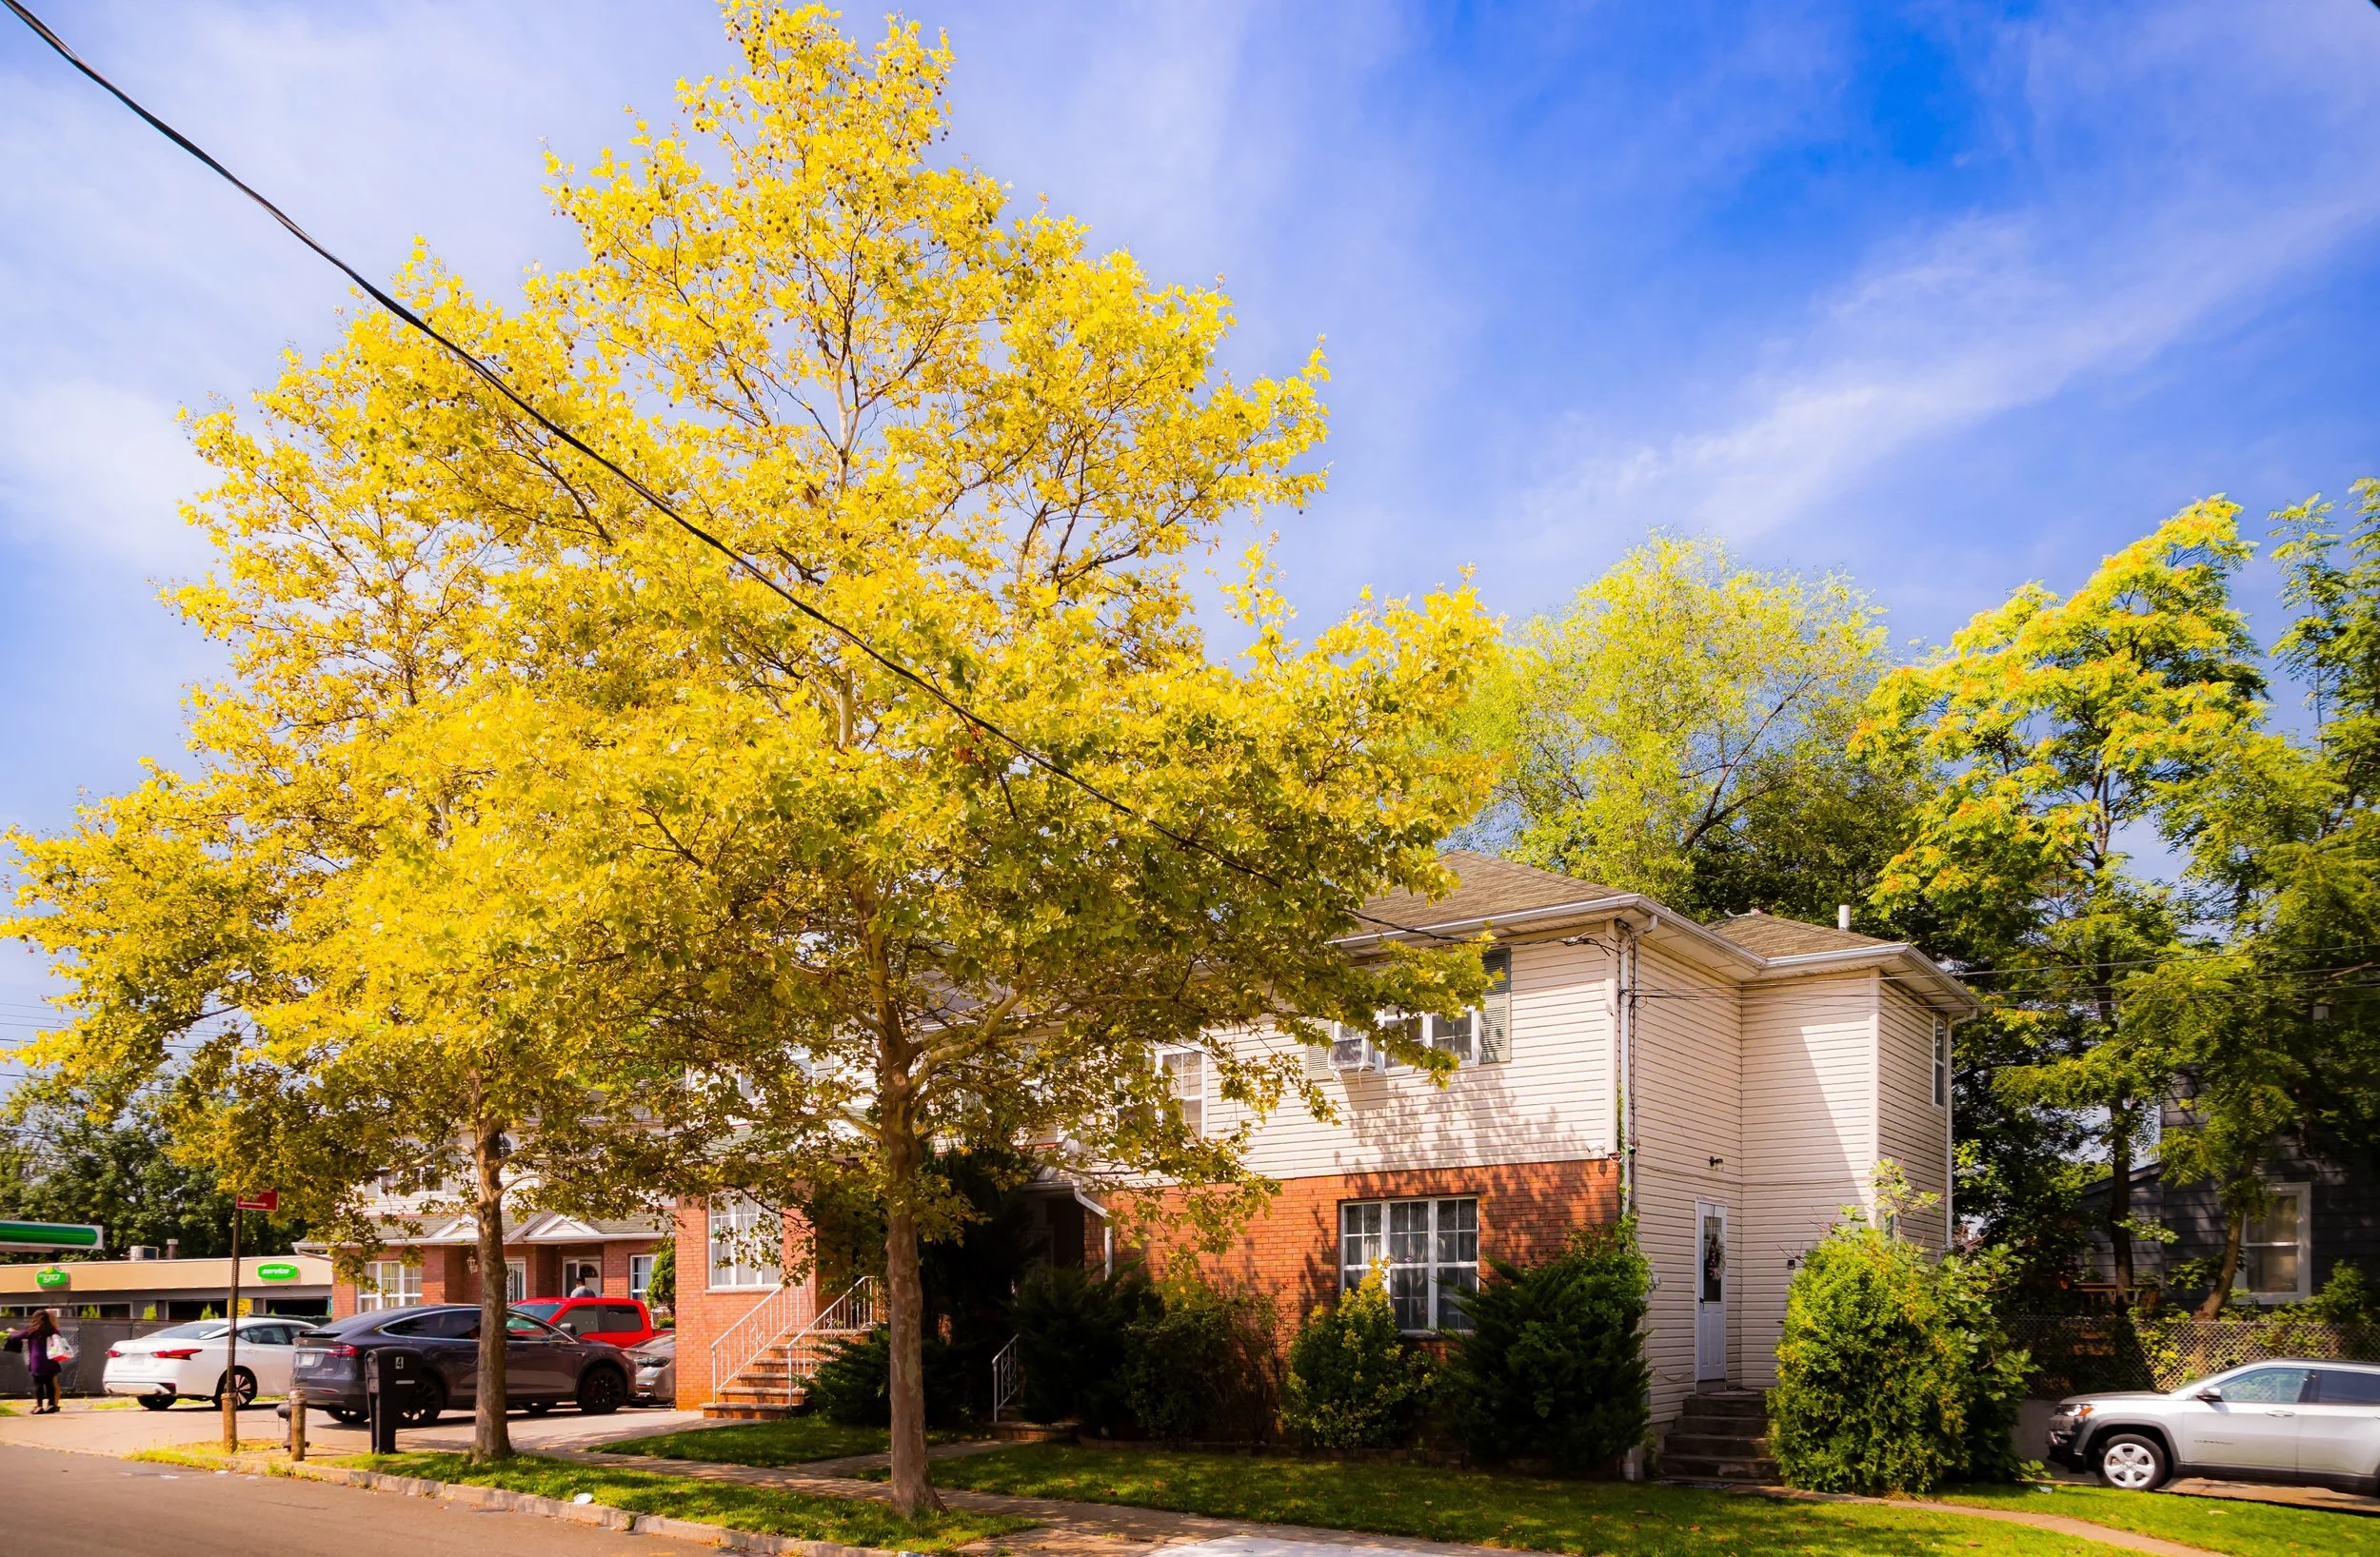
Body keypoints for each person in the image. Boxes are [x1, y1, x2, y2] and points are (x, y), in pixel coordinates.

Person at [10, 1310, 65, 1414]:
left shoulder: (32, 1330)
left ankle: (39, 1406)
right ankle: (51, 1405)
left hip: (37, 1360)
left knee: (38, 1384)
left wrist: (12, 1332)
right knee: (49, 1384)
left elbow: (16, 1337)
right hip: (51, 1359)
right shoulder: (53, 1330)